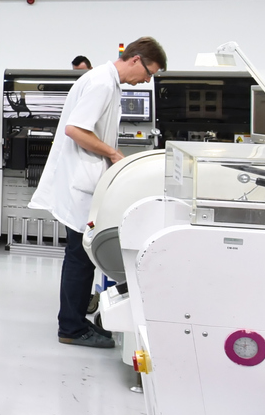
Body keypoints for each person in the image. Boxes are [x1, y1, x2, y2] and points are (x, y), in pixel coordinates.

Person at [30, 37, 166, 347]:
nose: (147, 80)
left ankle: (77, 320)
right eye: (149, 72)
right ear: (135, 60)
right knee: (80, 256)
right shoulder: (102, 83)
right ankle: (72, 327)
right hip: (81, 184)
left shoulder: (107, 82)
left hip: (84, 180)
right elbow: (75, 130)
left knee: (81, 255)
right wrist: (114, 154)